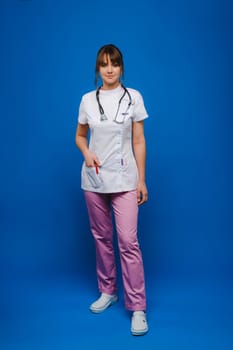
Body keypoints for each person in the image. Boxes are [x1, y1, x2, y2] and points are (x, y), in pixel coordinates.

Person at [75, 44, 149, 336]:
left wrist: (142, 180)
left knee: (128, 241)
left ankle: (138, 306)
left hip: (125, 179)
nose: (109, 69)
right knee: (102, 237)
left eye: (114, 64)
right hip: (93, 179)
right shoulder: (86, 100)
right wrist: (86, 153)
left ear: (121, 68)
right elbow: (80, 136)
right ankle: (108, 291)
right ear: (98, 68)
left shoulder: (134, 98)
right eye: (104, 64)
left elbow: (139, 141)